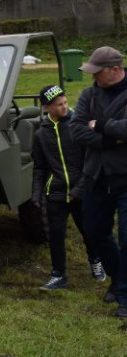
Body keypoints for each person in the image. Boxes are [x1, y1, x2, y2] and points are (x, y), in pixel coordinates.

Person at [69, 46, 127, 318]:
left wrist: (101, 125)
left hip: (125, 177)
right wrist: (113, 139)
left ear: (115, 70)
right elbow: (77, 130)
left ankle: (125, 298)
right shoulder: (89, 95)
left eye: (97, 72)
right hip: (96, 177)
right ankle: (118, 279)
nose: (93, 77)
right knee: (94, 232)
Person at [32, 84, 105, 290]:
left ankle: (95, 260)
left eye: (65, 102)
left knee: (88, 231)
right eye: (59, 104)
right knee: (55, 236)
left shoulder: (77, 127)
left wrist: (78, 190)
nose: (65, 107)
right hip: (55, 194)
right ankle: (58, 275)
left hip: (81, 192)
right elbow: (39, 167)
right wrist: (36, 193)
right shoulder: (40, 135)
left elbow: (90, 162)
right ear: (46, 108)